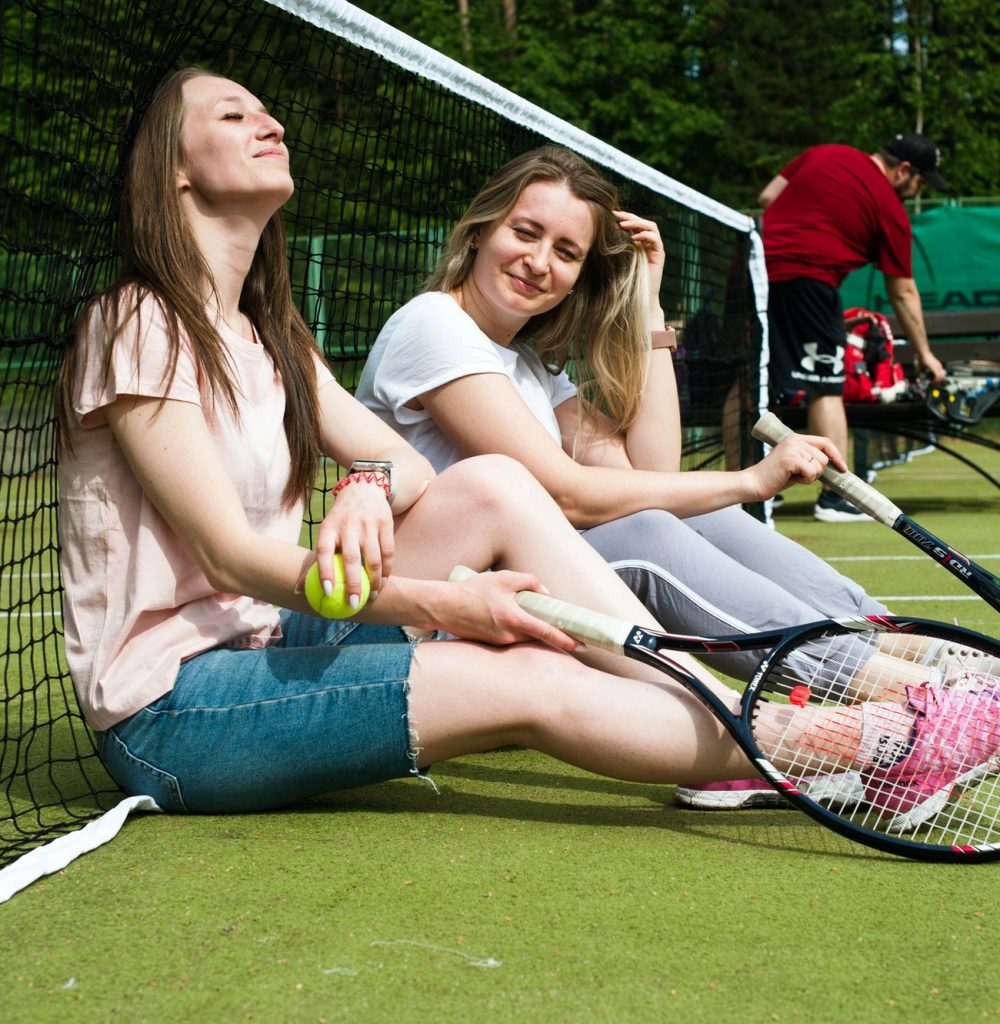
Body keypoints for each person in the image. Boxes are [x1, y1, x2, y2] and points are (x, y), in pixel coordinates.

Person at [53, 68, 992, 831]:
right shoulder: (137, 322)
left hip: (281, 634)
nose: (271, 123)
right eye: (233, 113)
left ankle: (830, 692)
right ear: (173, 168)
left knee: (497, 483)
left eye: (267, 107)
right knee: (529, 676)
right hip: (179, 711)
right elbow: (229, 555)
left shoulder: (273, 334)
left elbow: (414, 469)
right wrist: (448, 600)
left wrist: (365, 486)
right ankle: (872, 745)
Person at [354, 144, 988, 810]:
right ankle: (890, 697)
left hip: (524, 595)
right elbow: (568, 493)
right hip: (429, 614)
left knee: (689, 511)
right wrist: (751, 481)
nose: (540, 262)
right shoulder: (435, 326)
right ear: (481, 229)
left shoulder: (525, 364)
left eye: (567, 252)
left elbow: (652, 474)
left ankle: (914, 653)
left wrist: (652, 311)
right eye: (525, 232)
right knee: (635, 536)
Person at [759, 133, 949, 522]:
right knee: (827, 386)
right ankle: (836, 496)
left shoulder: (824, 151)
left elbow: (767, 197)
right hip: (807, 281)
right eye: (919, 183)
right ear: (904, 171)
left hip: (753, 269)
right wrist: (926, 354)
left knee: (755, 383)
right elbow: (903, 292)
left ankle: (757, 491)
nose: (915, 193)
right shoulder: (890, 209)